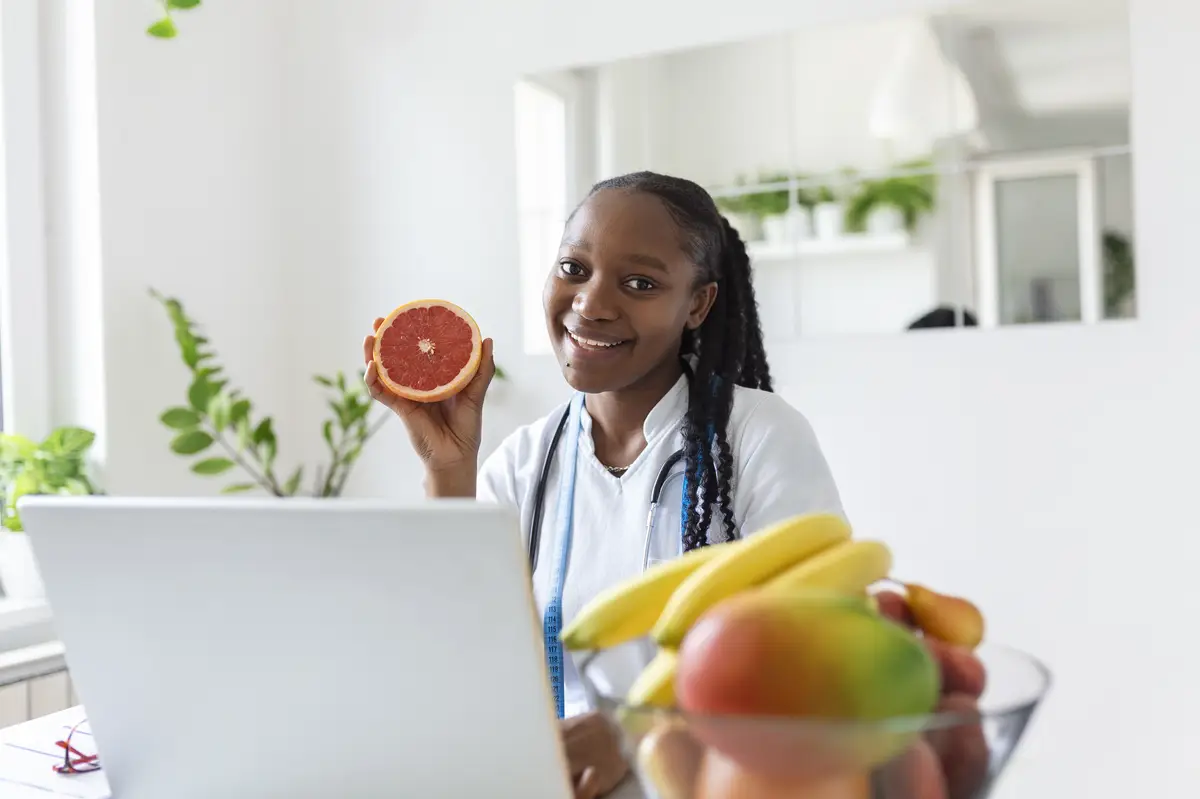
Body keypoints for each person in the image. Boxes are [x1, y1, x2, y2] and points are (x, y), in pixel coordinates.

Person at [363, 171, 848, 798]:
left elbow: (820, 649)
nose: (591, 303)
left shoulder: (758, 436)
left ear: (697, 304)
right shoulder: (524, 462)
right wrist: (447, 468)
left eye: (640, 283)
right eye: (573, 268)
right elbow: (449, 645)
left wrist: (635, 731)